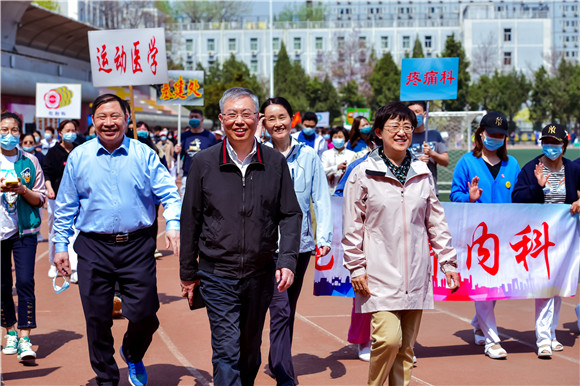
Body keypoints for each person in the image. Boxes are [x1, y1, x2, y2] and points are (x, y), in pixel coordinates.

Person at [52, 93, 181, 386]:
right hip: (93, 247)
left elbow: (170, 194)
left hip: (137, 246)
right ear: (93, 122)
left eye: (115, 116)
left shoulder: (144, 154)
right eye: (101, 117)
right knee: (97, 319)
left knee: (146, 313)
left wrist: (172, 224)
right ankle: (106, 378)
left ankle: (132, 352)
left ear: (127, 119)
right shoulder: (79, 157)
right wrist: (60, 246)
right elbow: (65, 206)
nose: (108, 123)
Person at [180, 87, 302, 386]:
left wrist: (286, 259)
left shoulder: (274, 163)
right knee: (226, 351)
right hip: (217, 274)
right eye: (232, 114)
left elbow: (291, 214)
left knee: (250, 352)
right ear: (221, 119)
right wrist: (187, 272)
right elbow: (191, 218)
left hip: (260, 275)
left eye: (246, 114)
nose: (239, 121)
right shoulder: (204, 163)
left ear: (257, 119)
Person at [342, 102, 459, 386]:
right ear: (379, 132)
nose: (402, 132)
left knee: (406, 348)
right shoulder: (363, 173)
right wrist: (356, 268)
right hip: (379, 274)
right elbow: (351, 226)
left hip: (416, 272)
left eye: (407, 126)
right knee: (387, 339)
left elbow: (436, 220)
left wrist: (448, 261)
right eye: (394, 127)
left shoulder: (422, 171)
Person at [260, 96, 332, 386]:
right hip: (267, 247)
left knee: (286, 307)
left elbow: (321, 198)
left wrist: (323, 236)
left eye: (282, 117)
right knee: (279, 308)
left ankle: (277, 360)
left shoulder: (309, 156)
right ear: (263, 123)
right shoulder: (257, 155)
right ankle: (284, 373)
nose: (277, 123)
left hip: (299, 246)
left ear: (293, 119)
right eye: (270, 118)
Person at [450, 111, 521, 360]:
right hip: (476, 237)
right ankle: (492, 341)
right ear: (481, 134)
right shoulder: (467, 163)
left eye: (501, 135)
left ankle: (479, 322)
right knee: (483, 286)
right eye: (491, 134)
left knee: (496, 287)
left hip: (504, 237)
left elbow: (521, 197)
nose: (496, 138)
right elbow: (454, 195)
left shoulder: (512, 164)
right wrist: (468, 198)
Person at [511, 123, 580, 358]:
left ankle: (551, 332)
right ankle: (542, 337)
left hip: (566, 239)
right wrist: (538, 188)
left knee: (558, 286)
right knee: (544, 286)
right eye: (546, 142)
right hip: (539, 239)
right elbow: (517, 198)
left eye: (555, 143)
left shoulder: (572, 169)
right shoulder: (531, 168)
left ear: (564, 145)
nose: (550, 147)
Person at [1, 112, 47, 362]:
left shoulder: (30, 161)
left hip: (24, 232)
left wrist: (23, 189)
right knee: (2, 285)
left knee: (26, 282)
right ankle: (9, 331)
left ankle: (25, 338)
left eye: (13, 130)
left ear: (20, 132)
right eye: (4, 130)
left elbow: (40, 198)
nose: (9, 135)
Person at [44, 120, 79, 283]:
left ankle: (74, 267)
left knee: (75, 232)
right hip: (56, 198)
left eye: (73, 130)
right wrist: (49, 188)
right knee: (55, 231)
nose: (71, 133)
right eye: (67, 130)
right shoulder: (53, 152)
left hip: (76, 198)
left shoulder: (79, 149)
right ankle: (53, 262)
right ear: (60, 133)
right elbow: (47, 173)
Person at [407, 101, 449, 196]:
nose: (414, 115)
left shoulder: (434, 135)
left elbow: (445, 161)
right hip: (410, 192)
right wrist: (417, 162)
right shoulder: (404, 136)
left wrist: (432, 153)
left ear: (425, 114)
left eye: (417, 111)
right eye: (411, 112)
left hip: (431, 191)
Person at [174, 109, 218, 197]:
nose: (193, 119)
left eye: (196, 117)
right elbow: (177, 156)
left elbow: (216, 156)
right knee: (186, 201)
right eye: (191, 117)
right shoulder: (183, 136)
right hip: (188, 175)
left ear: (202, 120)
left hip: (206, 175)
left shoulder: (210, 136)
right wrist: (176, 151)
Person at [321, 126, 356, 194]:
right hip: (329, 190)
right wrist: (336, 167)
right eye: (335, 137)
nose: (337, 139)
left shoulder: (352, 155)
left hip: (346, 191)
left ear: (345, 139)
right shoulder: (326, 154)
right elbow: (322, 171)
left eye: (340, 137)